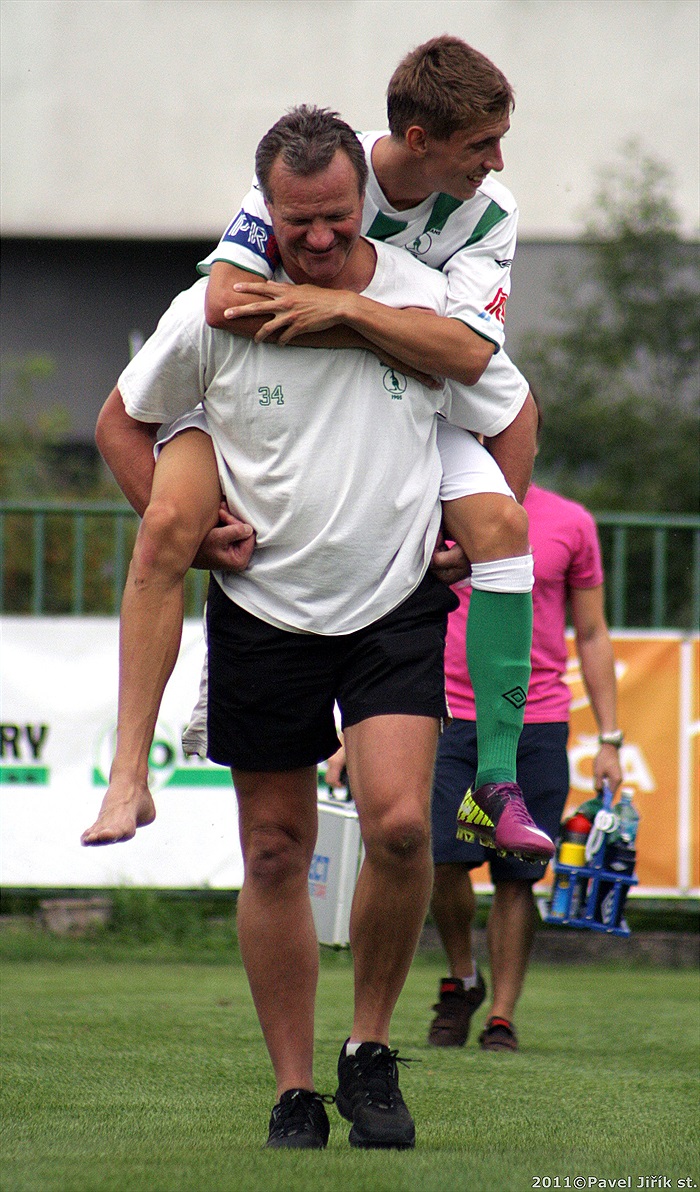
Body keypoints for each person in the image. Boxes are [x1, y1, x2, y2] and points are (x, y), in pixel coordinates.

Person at [81, 107, 538, 1151]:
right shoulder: (218, 307)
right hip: (265, 612)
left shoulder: (423, 304)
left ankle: (367, 1051)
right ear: (264, 215)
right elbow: (120, 419)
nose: (320, 240)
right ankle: (294, 1086)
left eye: (336, 219)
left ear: (360, 202)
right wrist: (194, 538)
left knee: (403, 827)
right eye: (298, 225)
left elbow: (510, 404)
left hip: (389, 603)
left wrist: (477, 530)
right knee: (277, 850)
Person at [84, 35, 555, 863]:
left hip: (412, 415)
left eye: (338, 224)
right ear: (419, 140)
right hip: (244, 418)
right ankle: (130, 768)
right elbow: (227, 301)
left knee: (504, 534)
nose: (498, 160)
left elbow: (476, 361)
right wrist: (383, 331)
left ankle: (496, 779)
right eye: (482, 143)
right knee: (167, 527)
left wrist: (348, 318)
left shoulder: (492, 215)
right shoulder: (318, 174)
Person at [429, 401, 624, 1052]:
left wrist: (611, 739)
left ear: (530, 439)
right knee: (440, 858)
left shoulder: (571, 523)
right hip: (446, 711)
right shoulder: (436, 507)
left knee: (518, 873)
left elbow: (592, 633)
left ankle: (502, 1015)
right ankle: (462, 977)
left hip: (537, 716)